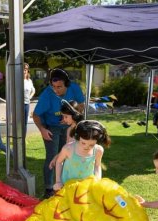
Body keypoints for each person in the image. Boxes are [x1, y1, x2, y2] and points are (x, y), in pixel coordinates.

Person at [33, 68, 85, 198]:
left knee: (67, 155)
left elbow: (81, 106)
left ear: (67, 84)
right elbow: (35, 115)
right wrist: (42, 130)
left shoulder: (74, 88)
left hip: (68, 126)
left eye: (59, 87)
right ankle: (49, 189)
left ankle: (62, 184)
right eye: (54, 86)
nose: (56, 90)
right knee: (52, 156)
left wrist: (71, 116)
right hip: (51, 127)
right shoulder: (47, 94)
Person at [53, 120, 111, 192]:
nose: (86, 147)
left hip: (86, 187)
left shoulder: (98, 150)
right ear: (77, 137)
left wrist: (97, 181)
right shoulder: (68, 148)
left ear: (98, 141)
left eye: (91, 145)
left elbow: (97, 165)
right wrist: (58, 181)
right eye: (83, 143)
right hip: (67, 185)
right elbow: (59, 162)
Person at [48, 100, 84, 169]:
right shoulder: (69, 130)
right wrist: (56, 157)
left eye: (66, 117)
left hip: (80, 165)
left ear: (75, 115)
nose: (64, 119)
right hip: (70, 164)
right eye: (63, 116)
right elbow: (67, 147)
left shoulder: (82, 130)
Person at [23, 63, 36, 136]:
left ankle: (23, 138)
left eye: (25, 70)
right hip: (18, 104)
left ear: (27, 71)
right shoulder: (17, 80)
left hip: (26, 104)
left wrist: (30, 97)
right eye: (23, 69)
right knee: (19, 122)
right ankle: (18, 137)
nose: (24, 71)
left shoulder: (29, 81)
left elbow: (33, 90)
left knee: (25, 122)